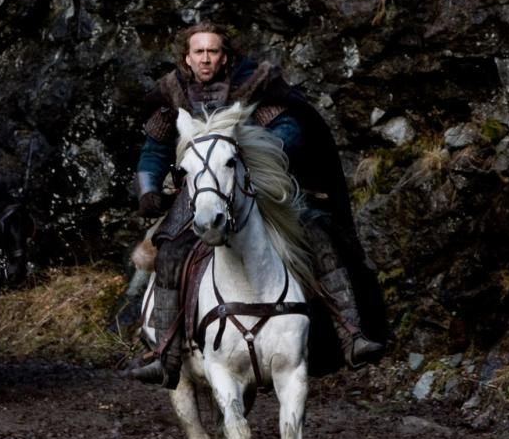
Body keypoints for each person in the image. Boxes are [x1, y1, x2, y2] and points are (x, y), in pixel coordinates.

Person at [120, 23, 387, 388]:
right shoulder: (173, 95)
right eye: (199, 52)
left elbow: (289, 131)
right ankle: (165, 354)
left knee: (317, 234)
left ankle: (351, 333)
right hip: (197, 195)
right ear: (187, 57)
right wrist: (149, 189)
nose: (205, 58)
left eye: (212, 51)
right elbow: (153, 150)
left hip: (255, 187)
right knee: (168, 254)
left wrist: (249, 154)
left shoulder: (252, 86)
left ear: (224, 56)